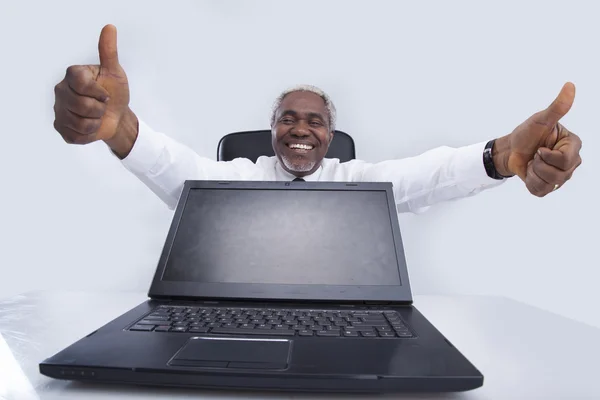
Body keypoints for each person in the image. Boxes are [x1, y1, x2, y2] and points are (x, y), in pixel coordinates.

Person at [53, 25, 583, 213]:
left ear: (331, 136)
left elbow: (434, 175)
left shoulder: (359, 185)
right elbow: (171, 167)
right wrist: (115, 127)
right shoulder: (236, 180)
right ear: (273, 130)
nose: (301, 128)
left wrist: (502, 157)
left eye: (315, 121)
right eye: (288, 118)